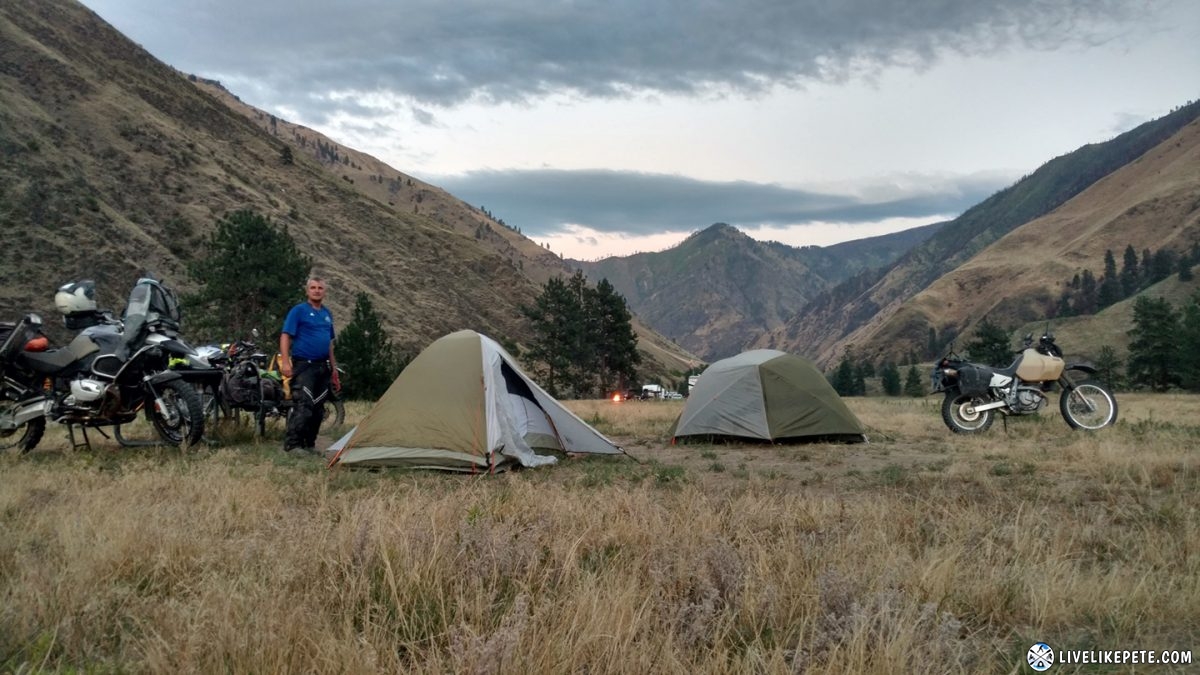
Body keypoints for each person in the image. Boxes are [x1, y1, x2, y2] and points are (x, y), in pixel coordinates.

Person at [280, 277, 340, 454]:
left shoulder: (327, 314)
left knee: (318, 408)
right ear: (307, 291)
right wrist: (285, 361)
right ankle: (293, 445)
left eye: (320, 288)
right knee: (303, 405)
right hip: (304, 365)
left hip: (323, 366)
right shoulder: (299, 311)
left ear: (324, 291)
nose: (317, 290)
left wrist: (334, 369)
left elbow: (329, 343)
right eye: (313, 287)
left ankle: (309, 444)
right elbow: (285, 335)